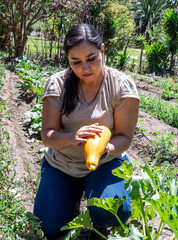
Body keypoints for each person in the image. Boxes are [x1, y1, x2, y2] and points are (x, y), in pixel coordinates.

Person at [33, 23, 140, 240]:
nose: (85, 68)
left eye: (91, 58)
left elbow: (125, 138)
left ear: (102, 49)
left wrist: (106, 149)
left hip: (105, 163)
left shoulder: (121, 86)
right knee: (50, 227)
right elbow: (47, 134)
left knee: (112, 213)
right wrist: (72, 138)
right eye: (76, 62)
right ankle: (70, 200)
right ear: (68, 60)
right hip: (62, 165)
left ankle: (98, 218)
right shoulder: (57, 84)